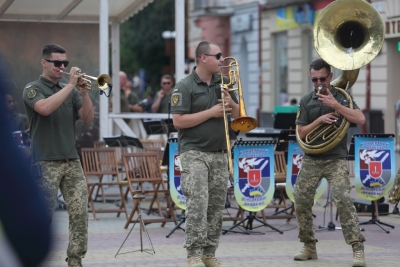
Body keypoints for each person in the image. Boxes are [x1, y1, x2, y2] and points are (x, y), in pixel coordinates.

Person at [22, 44, 93, 267]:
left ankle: (75, 261)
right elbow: (44, 108)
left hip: (71, 160)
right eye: (57, 63)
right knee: (44, 216)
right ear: (44, 63)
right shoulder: (33, 88)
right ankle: (32, 259)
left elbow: (88, 117)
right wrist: (70, 85)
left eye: (65, 63)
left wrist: (81, 91)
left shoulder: (71, 90)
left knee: (80, 213)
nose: (62, 67)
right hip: (46, 161)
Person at [171, 41, 239, 267]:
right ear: (203, 58)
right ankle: (194, 254)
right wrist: (211, 113)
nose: (222, 60)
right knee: (198, 204)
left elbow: (239, 117)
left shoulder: (224, 83)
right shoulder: (185, 86)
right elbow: (178, 121)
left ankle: (210, 252)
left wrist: (232, 103)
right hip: (194, 152)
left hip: (220, 152)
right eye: (218, 56)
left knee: (216, 206)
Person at [294, 58, 366, 267]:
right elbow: (300, 132)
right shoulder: (307, 100)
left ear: (330, 77)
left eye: (322, 79)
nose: (318, 83)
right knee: (301, 200)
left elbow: (360, 119)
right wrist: (318, 121)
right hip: (312, 159)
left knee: (344, 199)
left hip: (335, 158)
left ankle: (357, 248)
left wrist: (335, 105)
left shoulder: (343, 97)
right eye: (314, 79)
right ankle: (309, 246)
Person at [0, 69, 51, 267]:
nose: (11, 105)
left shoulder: (19, 119)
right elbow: (35, 239)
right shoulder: (33, 89)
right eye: (58, 62)